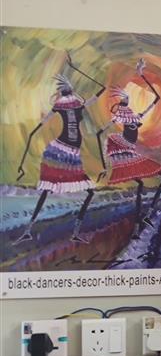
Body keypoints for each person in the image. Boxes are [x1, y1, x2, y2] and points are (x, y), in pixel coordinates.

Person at [15, 58, 105, 244]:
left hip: (69, 152)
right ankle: (33, 230)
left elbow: (35, 130)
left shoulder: (70, 105)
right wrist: (74, 69)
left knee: (56, 190)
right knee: (54, 190)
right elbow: (101, 90)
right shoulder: (75, 104)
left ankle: (36, 230)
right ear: (70, 91)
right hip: (62, 151)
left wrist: (22, 166)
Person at [95, 59, 161, 227]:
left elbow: (157, 98)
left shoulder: (134, 116)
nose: (127, 100)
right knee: (147, 183)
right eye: (125, 99)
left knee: (154, 181)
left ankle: (144, 218)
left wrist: (141, 74)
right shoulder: (122, 116)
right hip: (124, 151)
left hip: (129, 150)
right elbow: (99, 133)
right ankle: (140, 221)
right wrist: (105, 165)